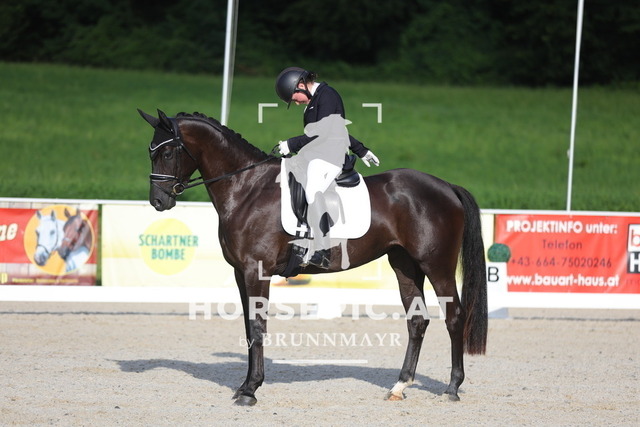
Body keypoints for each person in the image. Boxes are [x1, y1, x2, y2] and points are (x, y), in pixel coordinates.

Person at [275, 67, 380, 269]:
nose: (296, 102)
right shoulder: (315, 100)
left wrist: (292, 144)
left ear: (301, 85)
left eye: (294, 98)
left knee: (313, 190)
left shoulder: (327, 96)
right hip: (316, 155)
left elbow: (323, 132)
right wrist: (361, 150)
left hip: (330, 157)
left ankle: (323, 251)